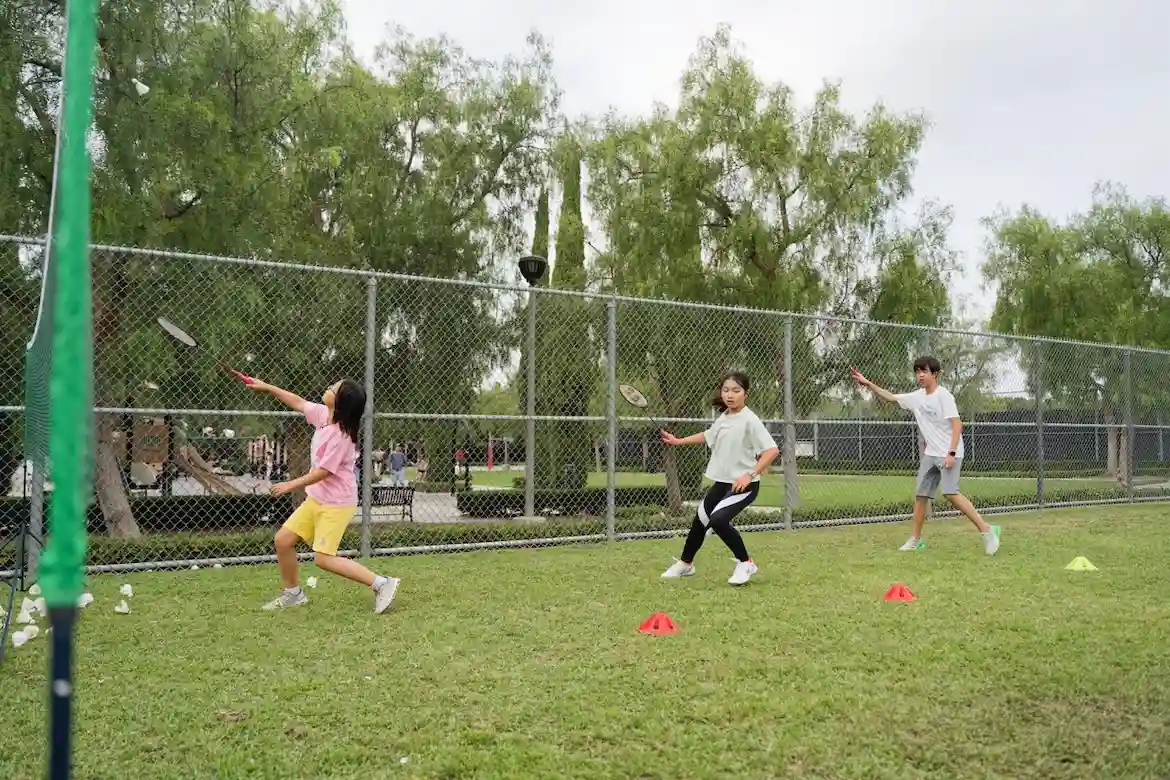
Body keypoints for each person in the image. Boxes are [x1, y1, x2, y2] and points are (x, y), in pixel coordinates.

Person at [247, 377, 401, 612]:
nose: (329, 388)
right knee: (283, 541)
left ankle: (382, 583)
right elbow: (298, 402)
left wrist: (290, 485)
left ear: (340, 403)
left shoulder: (341, 437)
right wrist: (268, 387)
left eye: (334, 389)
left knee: (323, 558)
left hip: (336, 503)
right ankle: (293, 594)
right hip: (317, 498)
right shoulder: (322, 415)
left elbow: (324, 471)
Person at [850, 356, 1001, 555]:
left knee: (950, 493)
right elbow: (890, 397)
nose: (920, 375)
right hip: (931, 454)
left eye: (924, 371)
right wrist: (868, 383)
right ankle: (915, 540)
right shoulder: (916, 397)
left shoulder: (944, 396)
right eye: (917, 371)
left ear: (934, 374)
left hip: (950, 452)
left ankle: (987, 531)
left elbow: (957, 425)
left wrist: (951, 453)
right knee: (921, 496)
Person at [659, 371, 779, 586]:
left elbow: (772, 451)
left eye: (736, 390)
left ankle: (746, 563)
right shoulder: (724, 417)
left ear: (745, 394)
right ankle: (686, 564)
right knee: (700, 521)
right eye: (726, 390)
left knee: (718, 520)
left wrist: (750, 474)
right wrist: (679, 441)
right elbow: (708, 435)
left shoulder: (750, 420)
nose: (730, 395)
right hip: (722, 483)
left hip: (744, 486)